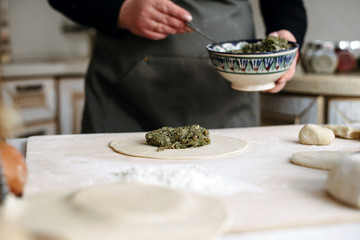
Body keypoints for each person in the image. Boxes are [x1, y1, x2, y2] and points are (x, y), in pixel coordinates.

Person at [48, 0, 307, 133]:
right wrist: (121, 9)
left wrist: (288, 38)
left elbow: (285, 3)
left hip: (226, 102)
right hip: (124, 101)